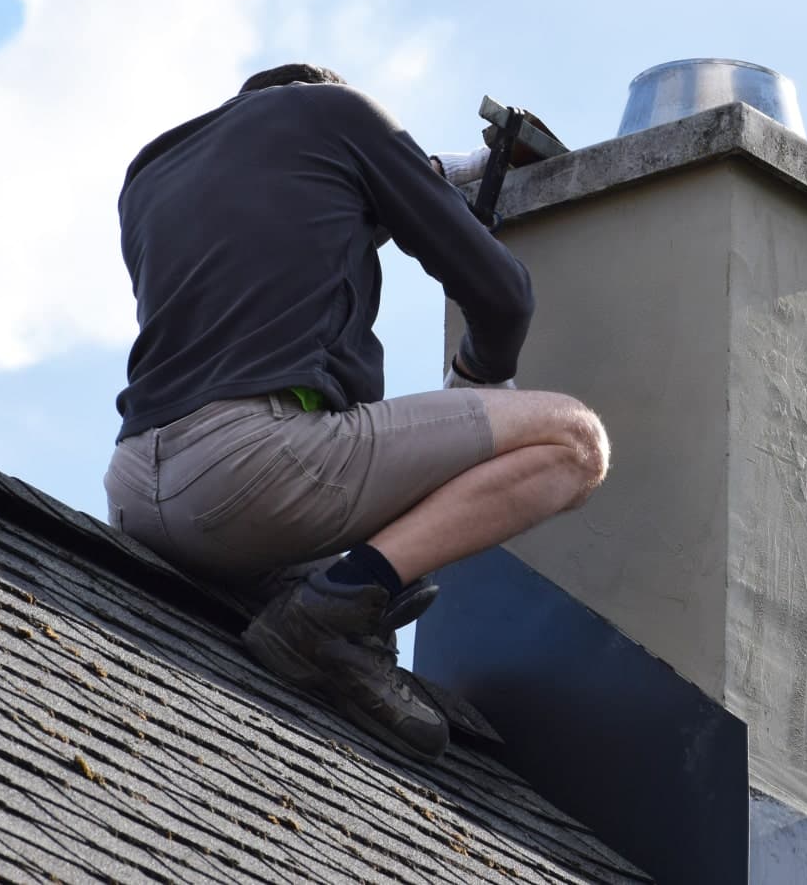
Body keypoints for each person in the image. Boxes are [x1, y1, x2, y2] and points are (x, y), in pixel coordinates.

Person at [103, 63, 609, 762]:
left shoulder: (152, 173)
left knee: (327, 554)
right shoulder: (337, 111)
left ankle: (333, 608)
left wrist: (385, 193)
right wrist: (478, 384)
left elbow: (267, 241)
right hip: (250, 477)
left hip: (135, 491)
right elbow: (502, 296)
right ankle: (334, 612)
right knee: (575, 443)